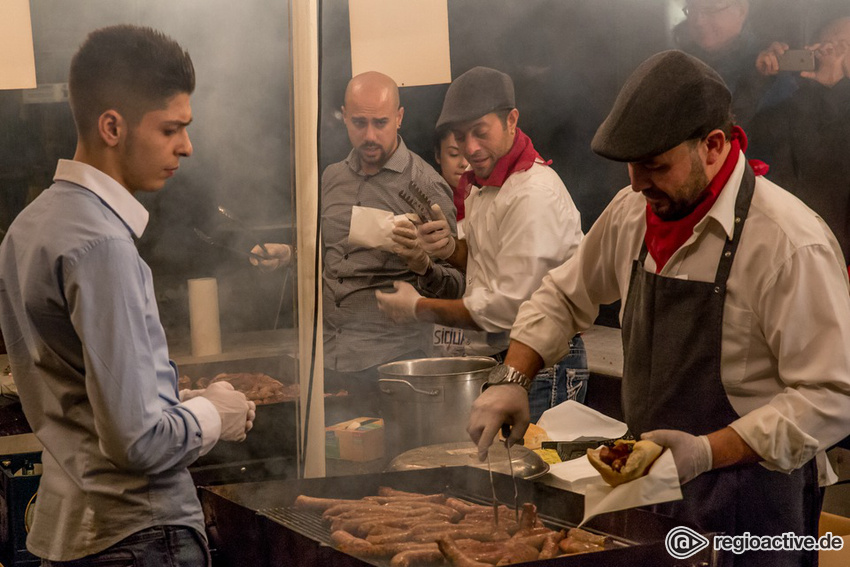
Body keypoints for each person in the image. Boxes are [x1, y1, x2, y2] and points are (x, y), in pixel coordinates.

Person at [467, 50, 850, 566]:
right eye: (631, 165)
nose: (637, 183)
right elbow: (563, 293)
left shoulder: (788, 243)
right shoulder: (634, 211)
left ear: (713, 145)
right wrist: (513, 378)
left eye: (655, 165)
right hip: (653, 495)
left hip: (755, 509)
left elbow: (830, 396)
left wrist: (708, 450)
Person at [0, 25, 256, 565]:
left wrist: (176, 402)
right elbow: (136, 442)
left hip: (70, 534)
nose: (186, 146)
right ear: (112, 126)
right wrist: (216, 412)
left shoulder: (28, 227)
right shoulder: (102, 244)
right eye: (170, 129)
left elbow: (87, 403)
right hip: (137, 536)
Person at [376, 67, 588, 421]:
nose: (470, 148)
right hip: (505, 356)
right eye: (460, 136)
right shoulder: (485, 186)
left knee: (532, 470)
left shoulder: (533, 194)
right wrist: (447, 250)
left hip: (543, 365)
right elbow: (483, 262)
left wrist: (418, 308)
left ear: (511, 120)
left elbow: (506, 307)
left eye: (480, 132)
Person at [254, 71, 462, 417]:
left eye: (380, 123)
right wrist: (291, 255)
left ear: (399, 118)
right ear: (344, 116)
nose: (369, 135)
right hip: (328, 359)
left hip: (392, 367)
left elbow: (457, 288)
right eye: (359, 122)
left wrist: (422, 265)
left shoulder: (425, 187)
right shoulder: (332, 178)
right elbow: (333, 252)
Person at [749, 15, 850, 269]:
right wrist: (762, 79)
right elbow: (742, 136)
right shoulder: (794, 103)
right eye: (830, 45)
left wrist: (838, 90)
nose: (835, 55)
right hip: (786, 257)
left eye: (845, 48)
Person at [673, 0, 791, 129]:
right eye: (692, 9)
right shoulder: (676, 64)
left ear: (741, 11)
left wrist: (758, 79)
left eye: (711, 9)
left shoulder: (772, 67)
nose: (698, 21)